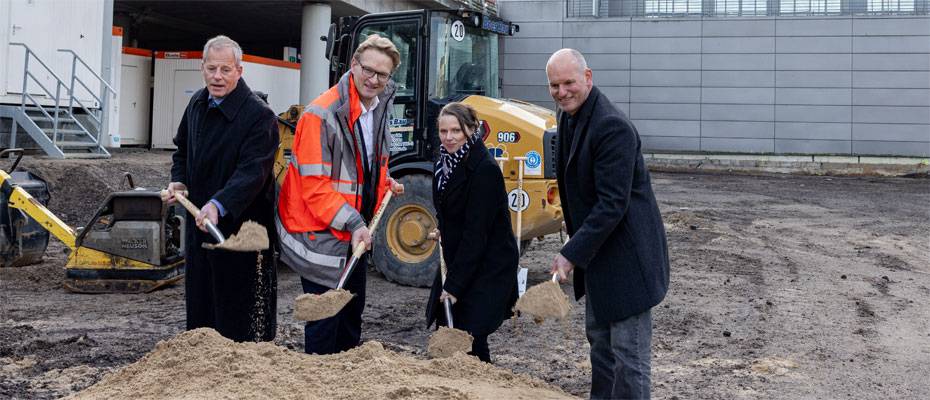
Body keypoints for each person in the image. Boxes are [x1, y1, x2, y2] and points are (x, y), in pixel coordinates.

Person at [546, 48, 670, 399]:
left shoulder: (611, 126)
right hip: (599, 258)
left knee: (628, 358)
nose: (562, 91)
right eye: (554, 85)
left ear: (587, 78)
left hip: (629, 262)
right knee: (600, 348)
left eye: (568, 82)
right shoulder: (568, 116)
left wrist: (570, 252)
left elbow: (612, 204)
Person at [276, 34, 404, 355]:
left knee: (350, 319)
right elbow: (314, 186)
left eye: (383, 74)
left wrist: (382, 182)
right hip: (321, 237)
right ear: (353, 65)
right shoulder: (321, 115)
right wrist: (354, 223)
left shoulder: (378, 107)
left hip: (353, 234)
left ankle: (345, 381)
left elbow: (361, 165)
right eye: (368, 70)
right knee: (324, 324)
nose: (374, 80)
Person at [164, 35, 278, 342]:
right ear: (202, 68)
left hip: (243, 234)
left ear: (240, 71)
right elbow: (182, 151)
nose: (217, 76)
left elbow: (252, 173)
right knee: (202, 308)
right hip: (201, 228)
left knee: (241, 313)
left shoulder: (259, 116)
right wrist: (180, 179)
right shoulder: (197, 103)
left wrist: (219, 204)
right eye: (211, 68)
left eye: (225, 69)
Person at [425, 102, 519, 363]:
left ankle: (482, 384)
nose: (449, 137)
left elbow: (477, 234)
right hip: (461, 256)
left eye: (456, 130)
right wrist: (444, 228)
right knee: (447, 327)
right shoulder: (444, 163)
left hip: (488, 263)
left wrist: (454, 286)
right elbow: (451, 210)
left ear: (471, 130)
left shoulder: (484, 170)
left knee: (469, 334)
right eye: (443, 131)